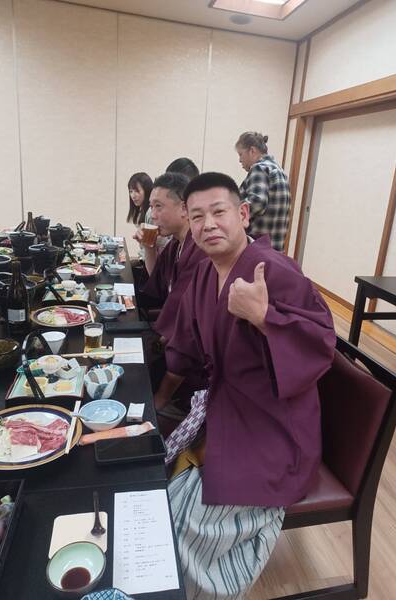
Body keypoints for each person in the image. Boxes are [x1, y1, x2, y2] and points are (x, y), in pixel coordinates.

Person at [156, 172, 335, 599]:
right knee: (155, 490)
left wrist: (264, 317)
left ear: (243, 214)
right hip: (224, 407)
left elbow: (322, 344)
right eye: (197, 216)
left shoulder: (274, 271)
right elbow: (185, 343)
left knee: (185, 525)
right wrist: (158, 400)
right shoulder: (205, 273)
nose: (208, 224)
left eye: (219, 212)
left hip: (273, 426)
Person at [135, 172, 209, 424]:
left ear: (185, 209)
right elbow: (157, 284)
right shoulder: (177, 245)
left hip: (194, 372)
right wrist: (149, 247)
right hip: (174, 347)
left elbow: (186, 334)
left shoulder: (200, 252)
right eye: (151, 206)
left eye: (159, 206)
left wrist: (160, 398)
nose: (152, 214)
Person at [236, 131, 291, 252]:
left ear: (252, 151)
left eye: (241, 154)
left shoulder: (259, 168)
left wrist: (231, 215)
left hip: (257, 248)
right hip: (275, 249)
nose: (240, 160)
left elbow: (256, 202)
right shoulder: (279, 170)